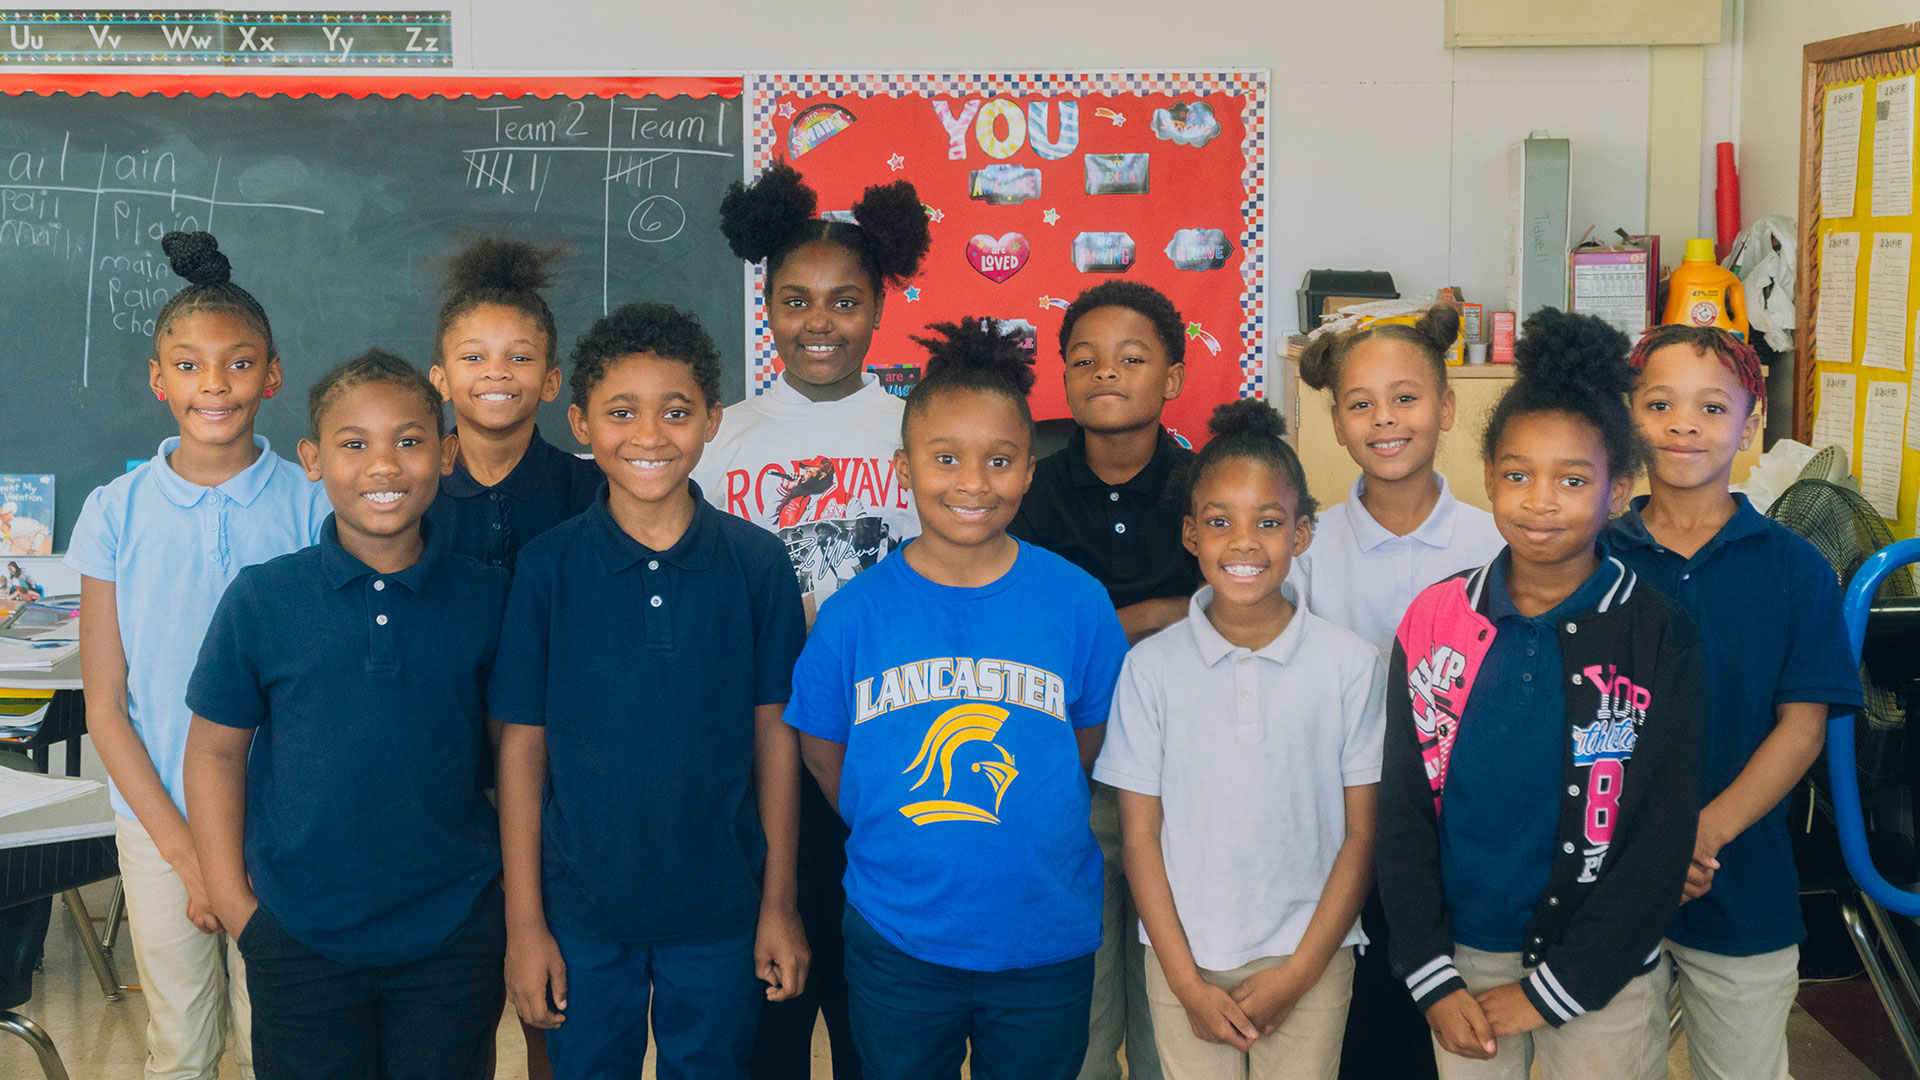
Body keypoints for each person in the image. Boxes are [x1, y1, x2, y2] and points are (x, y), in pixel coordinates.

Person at [784, 317, 1129, 1080]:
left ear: (1029, 469)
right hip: (899, 936)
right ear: (904, 467)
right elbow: (822, 747)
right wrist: (888, 819)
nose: (973, 484)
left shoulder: (1076, 602)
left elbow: (1085, 740)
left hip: (1044, 940)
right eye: (946, 460)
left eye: (999, 461)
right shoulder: (855, 613)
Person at [1376, 309, 1706, 1079]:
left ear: (1619, 489)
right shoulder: (1435, 620)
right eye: (1518, 475)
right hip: (1464, 965)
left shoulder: (1659, 634)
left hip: (1604, 972)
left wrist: (1558, 990)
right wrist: (1429, 968)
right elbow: (1402, 807)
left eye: (1573, 479)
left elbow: (1662, 833)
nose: (1541, 500)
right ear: (1488, 476)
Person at [490, 303, 808, 1080]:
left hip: (722, 910)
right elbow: (522, 745)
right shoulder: (548, 567)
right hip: (580, 914)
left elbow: (776, 739)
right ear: (580, 422)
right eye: (621, 413)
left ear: (711, 420)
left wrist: (779, 901)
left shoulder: (757, 564)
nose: (649, 435)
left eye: (675, 412)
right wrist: (524, 921)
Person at [182, 350, 506, 1079]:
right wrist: (239, 908)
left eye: (410, 440)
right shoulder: (265, 599)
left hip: (451, 931)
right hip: (298, 933)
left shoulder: (487, 597)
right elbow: (213, 753)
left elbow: (513, 756)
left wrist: (507, 901)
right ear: (312, 459)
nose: (383, 466)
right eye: (353, 444)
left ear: (446, 454)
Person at [66, 231, 329, 1080]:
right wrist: (185, 854)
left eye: (239, 363)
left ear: (274, 375)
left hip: (283, 822)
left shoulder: (316, 504)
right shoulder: (114, 511)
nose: (214, 384)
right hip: (159, 818)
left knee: (278, 1035)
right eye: (188, 365)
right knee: (178, 1041)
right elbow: (105, 703)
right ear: (157, 379)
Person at [702, 159, 932, 1080]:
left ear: (878, 307)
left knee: (872, 1004)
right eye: (796, 300)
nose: (819, 323)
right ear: (767, 308)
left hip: (885, 745)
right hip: (757, 748)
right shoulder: (721, 437)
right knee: (770, 1005)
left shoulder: (917, 432)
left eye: (843, 302)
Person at [1098, 398, 1384, 1080]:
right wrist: (1186, 983)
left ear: (1302, 534)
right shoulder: (1150, 668)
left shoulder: (1352, 664)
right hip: (1184, 961)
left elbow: (1362, 835)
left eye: (1269, 522)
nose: (1245, 543)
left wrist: (1301, 972)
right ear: (1192, 535)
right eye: (1221, 523)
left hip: (1311, 960)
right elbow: (1139, 836)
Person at [1609, 325, 1863, 1080]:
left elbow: (1803, 726)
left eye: (1713, 408)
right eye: (1660, 403)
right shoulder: (1592, 557)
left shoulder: (1794, 567)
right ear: (1628, 416)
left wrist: (1702, 834)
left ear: (1752, 423)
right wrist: (1652, 845)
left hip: (1743, 879)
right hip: (1607, 877)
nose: (1685, 424)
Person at [1290, 304, 1504, 1080]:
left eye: (1406, 398)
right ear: (1339, 424)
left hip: (1467, 842)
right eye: (1361, 404)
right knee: (1360, 1030)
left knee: (1455, 1029)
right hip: (1346, 835)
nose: (1385, 419)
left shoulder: (1497, 542)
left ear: (1446, 409)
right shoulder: (1308, 548)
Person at [1009, 279, 1202, 1080]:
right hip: (1063, 779)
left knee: (1172, 1007)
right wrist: (1155, 615)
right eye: (1083, 359)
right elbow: (1019, 636)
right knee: (1077, 1018)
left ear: (1175, 378)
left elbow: (1243, 614)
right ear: (1060, 377)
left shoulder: (1209, 488)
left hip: (1188, 777)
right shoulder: (1025, 494)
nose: (1105, 373)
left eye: (1131, 358)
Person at [425, 238, 602, 574]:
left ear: (551, 383)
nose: (496, 371)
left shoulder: (592, 492)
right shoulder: (412, 489)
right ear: (441, 381)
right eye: (473, 357)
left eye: (519, 357)